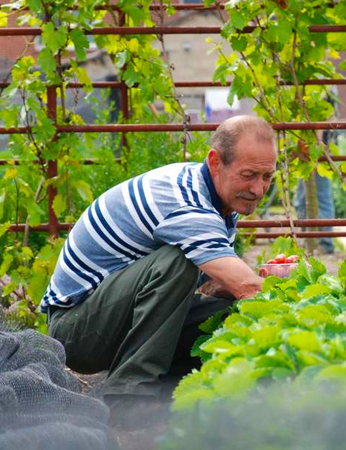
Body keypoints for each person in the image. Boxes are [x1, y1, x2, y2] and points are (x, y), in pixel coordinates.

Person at [40, 115, 276, 427]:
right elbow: (248, 288)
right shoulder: (185, 201)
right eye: (248, 175)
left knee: (224, 312)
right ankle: (130, 400)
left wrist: (257, 279)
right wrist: (283, 290)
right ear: (216, 162)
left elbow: (212, 287)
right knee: (177, 260)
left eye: (267, 177)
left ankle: (171, 391)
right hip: (76, 330)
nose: (258, 190)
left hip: (113, 318)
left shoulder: (218, 204)